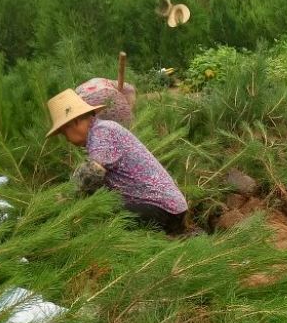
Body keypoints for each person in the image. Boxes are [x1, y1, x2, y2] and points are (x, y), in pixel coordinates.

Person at [46, 88, 188, 235]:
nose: (67, 139)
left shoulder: (102, 132)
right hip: (166, 207)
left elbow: (91, 173)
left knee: (100, 221)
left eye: (64, 133)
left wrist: (65, 199)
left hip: (161, 208)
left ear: (74, 122)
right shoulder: (101, 131)